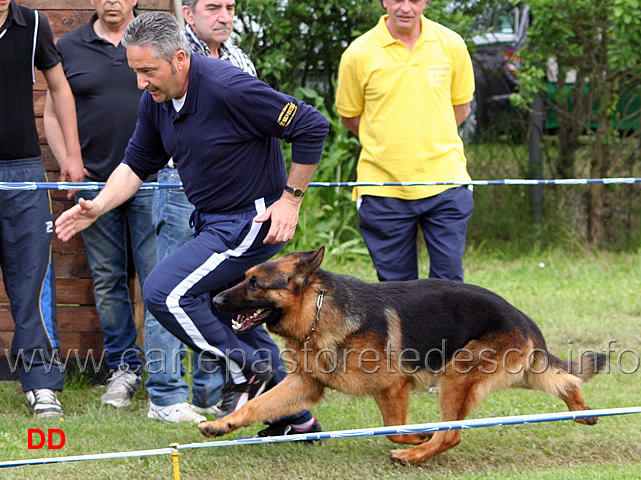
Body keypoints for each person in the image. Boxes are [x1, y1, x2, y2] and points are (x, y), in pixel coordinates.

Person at [56, 11, 328, 437]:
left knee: (166, 292)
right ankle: (295, 416)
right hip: (213, 222)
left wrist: (290, 200)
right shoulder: (156, 102)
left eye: (148, 71)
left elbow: (311, 125)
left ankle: (243, 370)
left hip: (250, 221)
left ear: (180, 59)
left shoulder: (228, 87)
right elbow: (136, 164)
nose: (140, 83)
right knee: (225, 310)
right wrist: (98, 206)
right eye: (135, 72)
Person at [144, 0, 259, 423]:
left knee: (221, 295)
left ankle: (213, 394)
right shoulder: (169, 57)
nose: (225, 16)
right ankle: (165, 394)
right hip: (179, 187)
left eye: (230, 7)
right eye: (213, 7)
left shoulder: (239, 59)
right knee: (170, 290)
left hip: (233, 200)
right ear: (187, 14)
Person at [43, 0, 158, 413]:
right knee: (108, 279)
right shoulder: (70, 46)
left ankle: (164, 376)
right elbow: (52, 112)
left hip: (152, 181)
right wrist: (66, 162)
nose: (113, 1)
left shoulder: (152, 38)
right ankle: (124, 370)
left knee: (156, 277)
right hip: (93, 184)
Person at [335, 0, 475, 283]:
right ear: (384, 1)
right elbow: (349, 116)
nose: (406, 7)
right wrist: (387, 143)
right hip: (382, 187)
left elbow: (461, 108)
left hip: (446, 181)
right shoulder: (358, 53)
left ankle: (446, 331)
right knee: (395, 290)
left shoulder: (452, 44)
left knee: (449, 286)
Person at [0, 0, 83, 417]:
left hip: (23, 173)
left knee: (29, 285)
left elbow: (59, 87)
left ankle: (41, 385)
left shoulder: (33, 23)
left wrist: (70, 153)